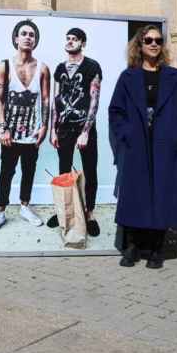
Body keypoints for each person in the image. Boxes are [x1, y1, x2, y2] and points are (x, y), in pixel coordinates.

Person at [109, 25, 177, 268]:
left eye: (158, 40)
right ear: (140, 45)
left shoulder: (174, 76)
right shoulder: (128, 77)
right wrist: (126, 134)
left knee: (162, 194)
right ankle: (133, 247)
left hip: (166, 145)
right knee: (135, 195)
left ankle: (157, 248)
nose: (154, 44)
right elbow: (116, 111)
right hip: (136, 146)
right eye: (148, 40)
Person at [0, 19, 51, 236]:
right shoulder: (4, 66)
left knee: (29, 171)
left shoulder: (42, 68)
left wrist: (44, 127)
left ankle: (24, 206)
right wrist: (3, 128)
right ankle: (0, 212)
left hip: (32, 132)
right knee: (6, 172)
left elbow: (47, 100)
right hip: (10, 133)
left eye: (32, 34)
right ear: (16, 38)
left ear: (35, 40)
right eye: (24, 33)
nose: (28, 37)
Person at [47, 28, 102, 236]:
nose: (70, 42)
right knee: (63, 172)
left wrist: (85, 131)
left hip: (84, 126)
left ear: (82, 43)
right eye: (68, 38)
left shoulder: (91, 67)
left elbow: (94, 100)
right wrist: (53, 129)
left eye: (75, 39)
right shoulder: (60, 68)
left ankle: (90, 214)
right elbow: (55, 99)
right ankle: (63, 212)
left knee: (90, 170)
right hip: (64, 128)